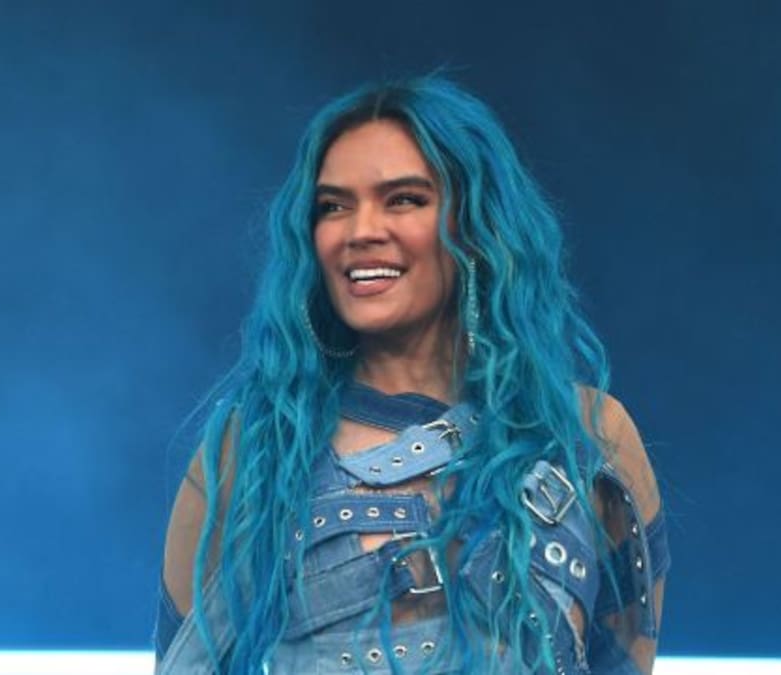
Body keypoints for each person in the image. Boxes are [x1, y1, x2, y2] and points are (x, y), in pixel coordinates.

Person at [154, 75, 669, 674]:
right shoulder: (252, 448)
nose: (361, 231)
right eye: (333, 206)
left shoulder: (588, 434)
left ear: (475, 225)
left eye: (404, 199)